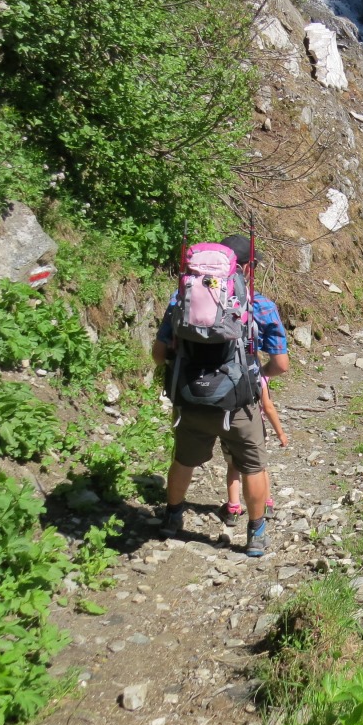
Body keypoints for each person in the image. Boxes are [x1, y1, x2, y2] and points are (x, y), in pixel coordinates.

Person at [151, 234, 289, 557]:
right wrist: (257, 374)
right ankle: (255, 535)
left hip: (190, 399)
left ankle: (172, 518)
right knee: (253, 466)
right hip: (239, 404)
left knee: (183, 460)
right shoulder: (259, 305)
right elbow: (281, 365)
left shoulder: (181, 298)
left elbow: (158, 354)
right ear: (245, 268)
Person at [221, 376, 287, 527]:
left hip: (229, 427)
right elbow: (268, 407)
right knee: (260, 468)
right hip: (255, 430)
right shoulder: (258, 375)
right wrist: (280, 433)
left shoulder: (225, 372)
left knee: (232, 467)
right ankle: (266, 505)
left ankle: (233, 510)